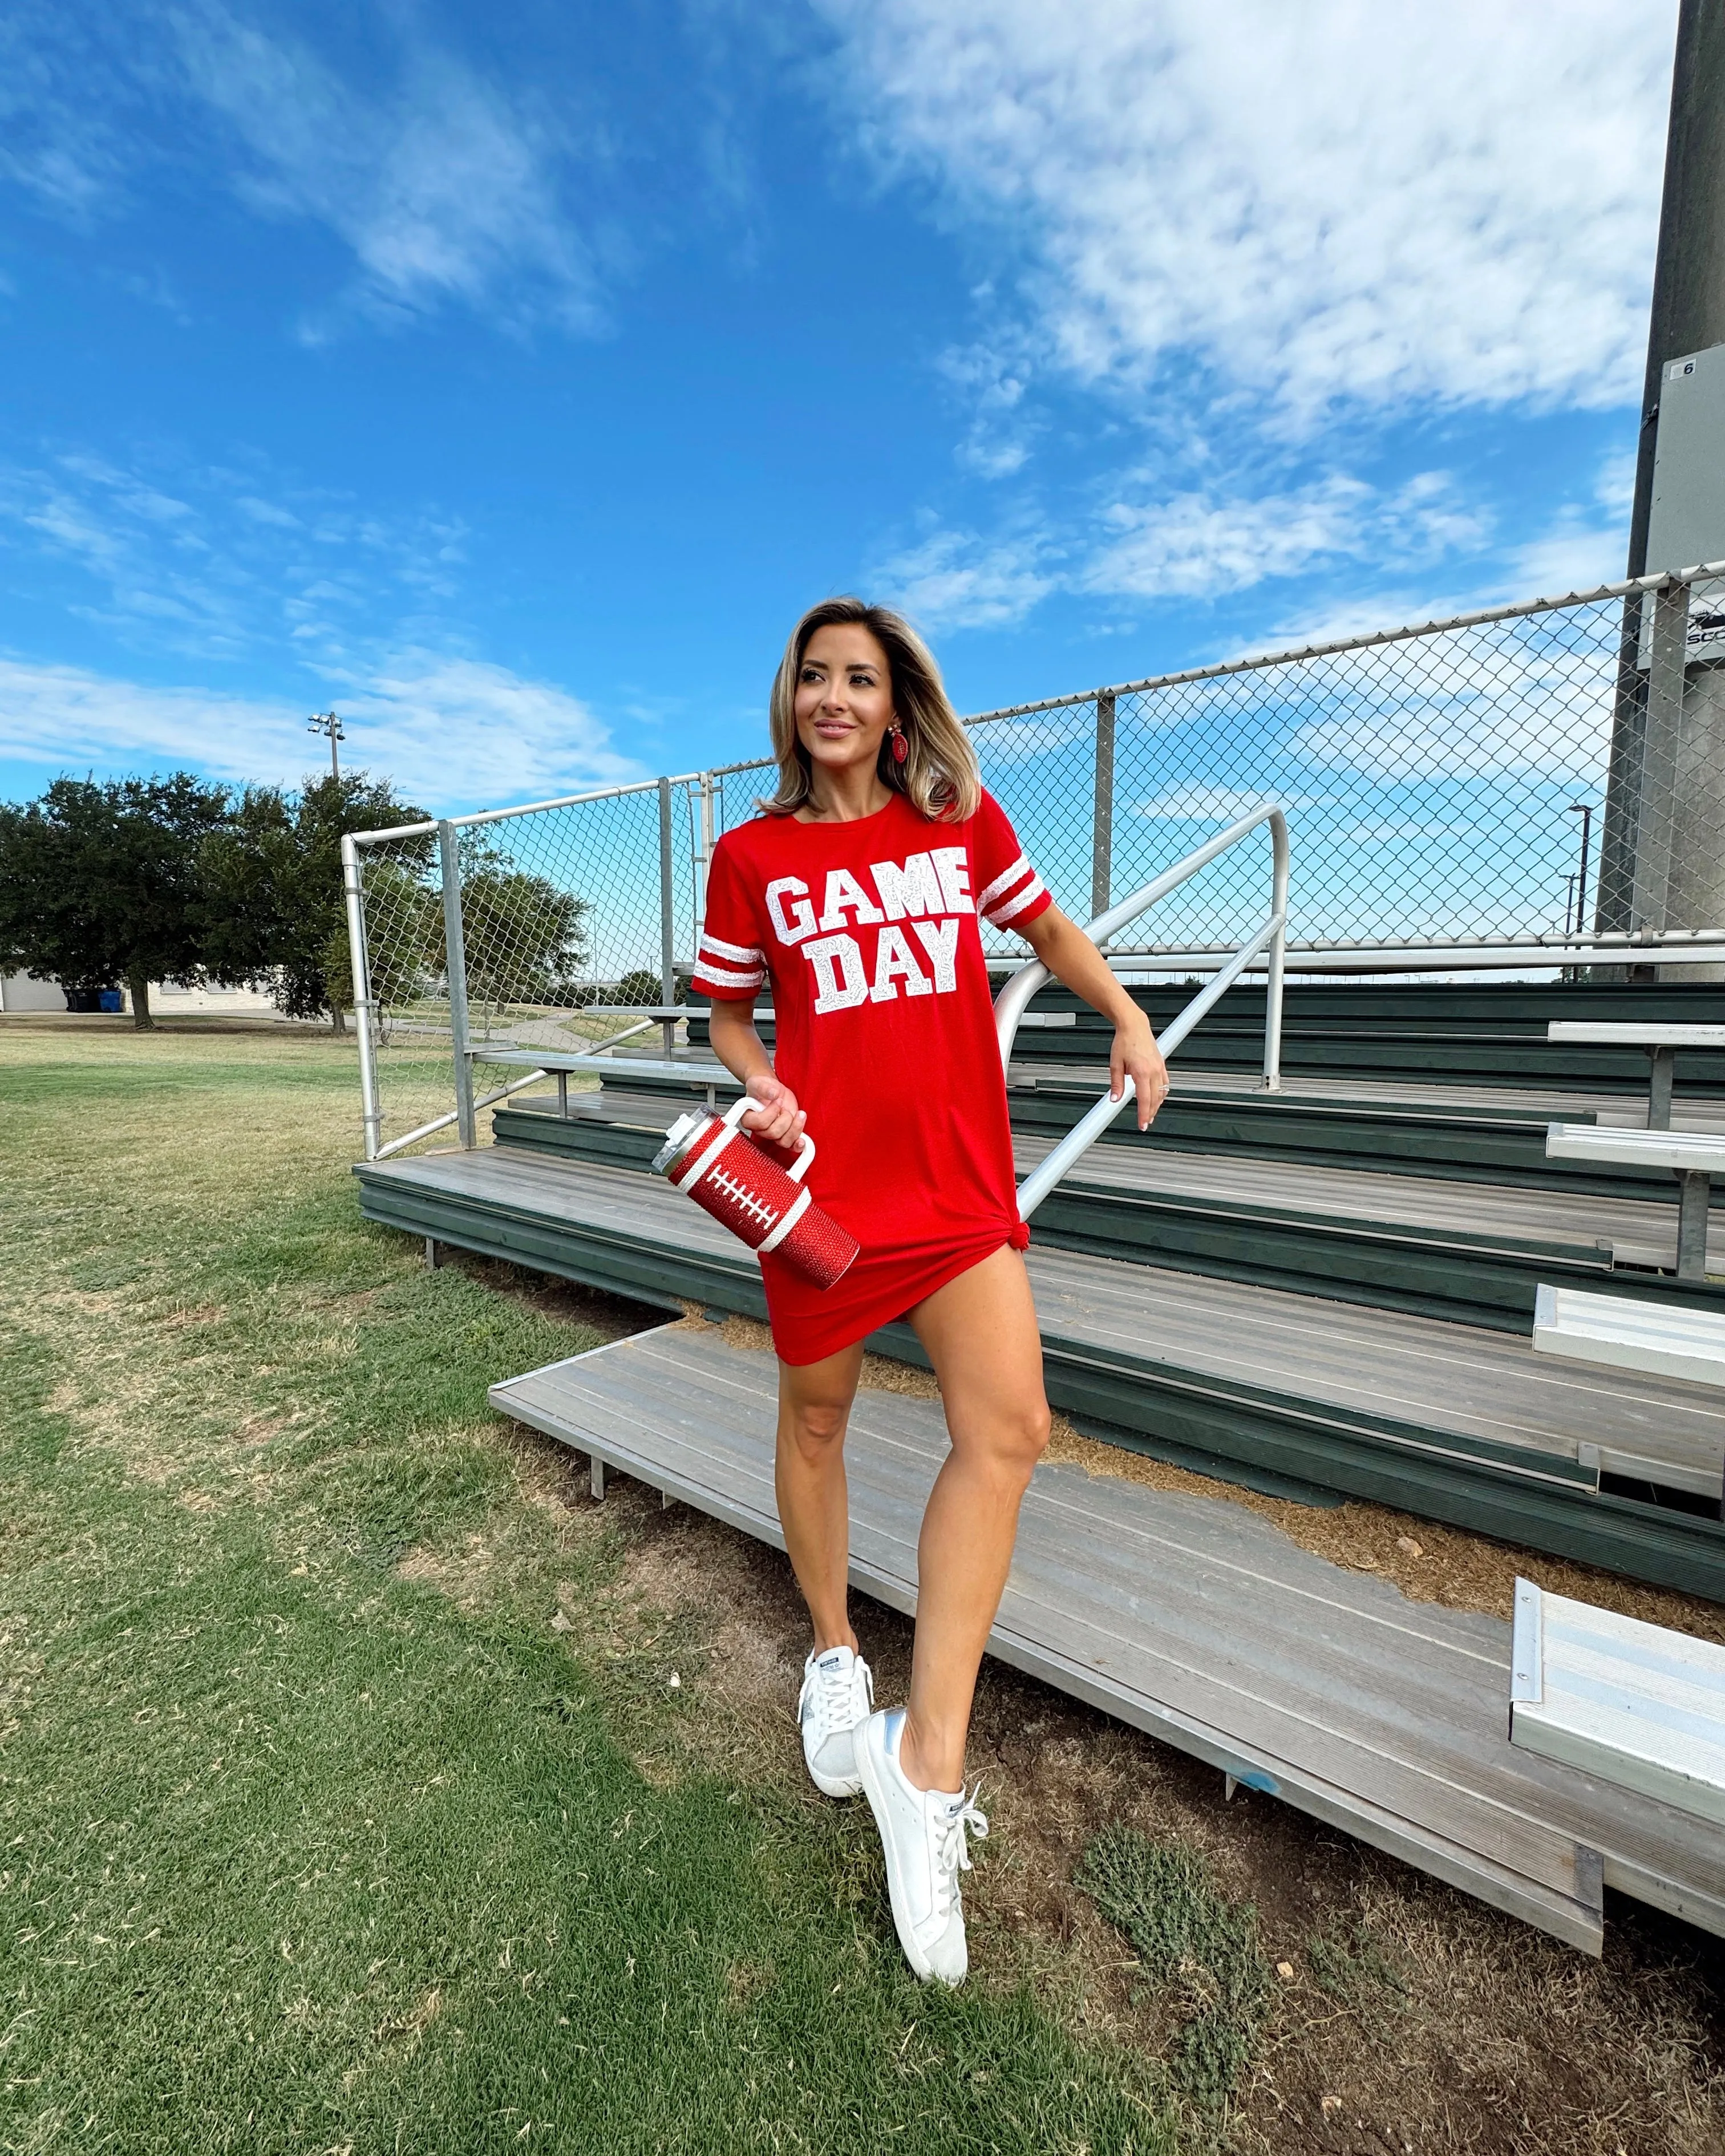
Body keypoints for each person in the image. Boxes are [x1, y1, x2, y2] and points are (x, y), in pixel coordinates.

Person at [691, 597, 1168, 1985]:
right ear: (789, 701)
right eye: (814, 677)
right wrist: (759, 1081)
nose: (834, 697)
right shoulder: (750, 856)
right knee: (821, 1427)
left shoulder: (961, 824)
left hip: (958, 1189)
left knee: (1009, 1429)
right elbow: (731, 1013)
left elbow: (1052, 935)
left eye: (860, 678)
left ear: (897, 707)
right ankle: (836, 1654)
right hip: (822, 1196)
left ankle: (926, 1759)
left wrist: (1128, 1016)